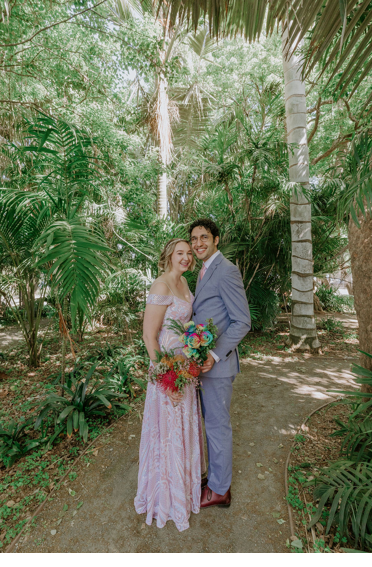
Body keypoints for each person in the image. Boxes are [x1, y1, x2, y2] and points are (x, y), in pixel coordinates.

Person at [134, 238, 202, 530]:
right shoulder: (161, 286)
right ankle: (165, 498)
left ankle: (183, 492)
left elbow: (187, 327)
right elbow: (149, 336)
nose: (186, 258)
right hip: (166, 371)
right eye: (180, 253)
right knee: (167, 433)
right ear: (169, 256)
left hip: (184, 368)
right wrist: (166, 378)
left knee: (182, 430)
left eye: (189, 254)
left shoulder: (186, 285)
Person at [188, 218, 251, 509]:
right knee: (210, 424)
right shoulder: (202, 271)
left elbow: (242, 321)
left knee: (217, 426)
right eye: (193, 239)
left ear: (216, 240)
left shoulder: (226, 270)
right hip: (203, 366)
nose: (198, 243)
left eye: (203, 237)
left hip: (218, 365)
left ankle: (220, 491)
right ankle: (215, 478)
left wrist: (213, 355)